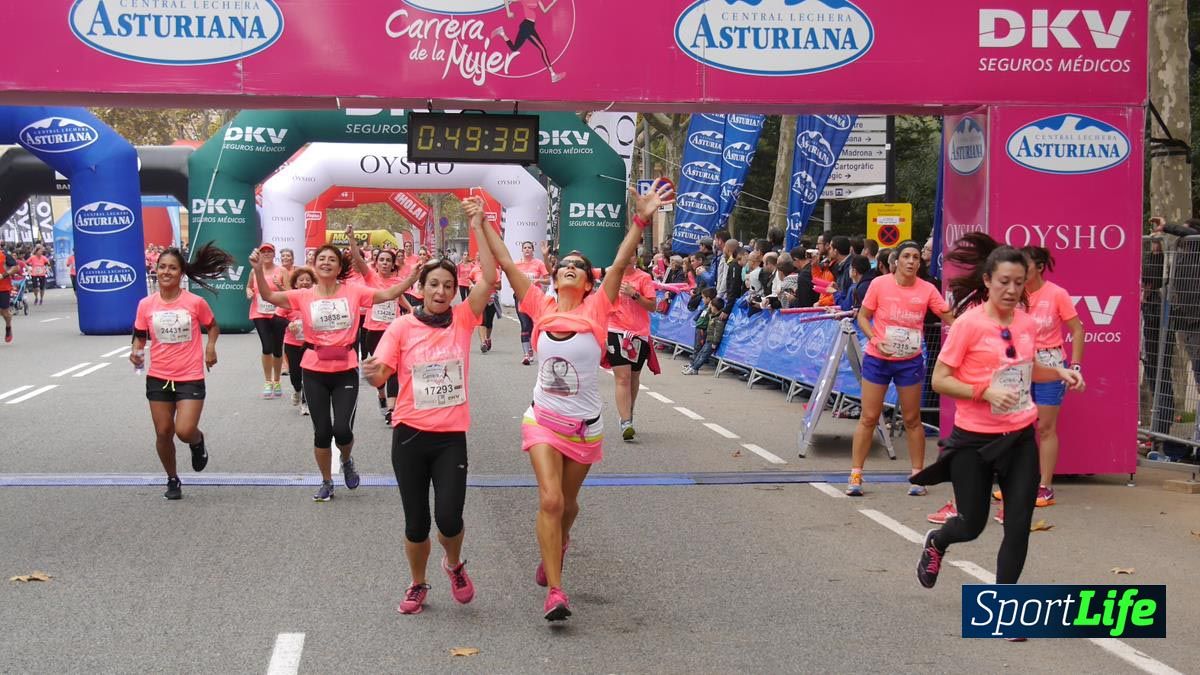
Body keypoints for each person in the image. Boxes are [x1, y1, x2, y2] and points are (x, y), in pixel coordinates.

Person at [486, 178, 673, 622]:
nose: (570, 267)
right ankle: (556, 590)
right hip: (543, 421)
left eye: (579, 266)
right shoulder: (538, 305)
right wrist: (484, 222)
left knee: (568, 507)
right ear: (554, 277)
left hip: (585, 426)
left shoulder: (597, 308)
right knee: (550, 501)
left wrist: (642, 219)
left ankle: (559, 541)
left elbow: (622, 261)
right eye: (564, 265)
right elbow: (508, 262)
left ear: (589, 282)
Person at [912, 233, 1084, 598]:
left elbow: (1026, 367)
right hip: (974, 440)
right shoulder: (968, 325)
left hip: (1020, 437)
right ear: (988, 280)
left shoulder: (1025, 324)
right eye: (1004, 282)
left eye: (1018, 283)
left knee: (1019, 524)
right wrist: (983, 391)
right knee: (971, 525)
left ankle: (1006, 607)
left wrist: (1059, 372)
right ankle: (938, 542)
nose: (1011, 289)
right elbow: (941, 380)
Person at [363, 196, 496, 616]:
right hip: (409, 436)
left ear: (455, 291)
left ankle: (454, 564)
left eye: (448, 285)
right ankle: (418, 583)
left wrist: (478, 225)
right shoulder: (402, 326)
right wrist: (374, 373)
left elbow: (490, 279)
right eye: (433, 284)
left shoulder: (462, 319)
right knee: (416, 523)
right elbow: (383, 370)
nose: (441, 291)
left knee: (450, 519)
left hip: (450, 438)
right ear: (420, 288)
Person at [249, 242, 421, 502]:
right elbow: (270, 297)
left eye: (332, 259)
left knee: (342, 430)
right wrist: (259, 271)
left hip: (345, 368)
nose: (326, 263)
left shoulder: (353, 292)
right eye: (322, 259)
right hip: (313, 368)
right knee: (321, 431)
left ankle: (347, 459)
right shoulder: (303, 294)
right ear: (314, 265)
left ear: (340, 267)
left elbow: (387, 295)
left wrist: (411, 278)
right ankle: (327, 481)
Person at [848, 241, 954, 497]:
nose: (911, 261)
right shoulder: (879, 284)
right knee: (869, 417)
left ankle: (917, 476)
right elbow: (863, 316)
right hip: (878, 358)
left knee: (911, 419)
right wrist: (875, 339)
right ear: (896, 261)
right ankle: (855, 475)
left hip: (909, 361)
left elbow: (951, 318)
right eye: (906, 256)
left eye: (916, 257)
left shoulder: (927, 289)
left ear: (920, 262)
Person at [130, 243, 233, 500]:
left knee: (184, 431)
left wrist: (210, 347)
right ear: (155, 270)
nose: (166, 272)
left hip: (189, 375)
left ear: (181, 273)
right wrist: (136, 352)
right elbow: (140, 336)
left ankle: (197, 442)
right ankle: (172, 478)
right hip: (159, 376)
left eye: (173, 268)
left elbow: (213, 326)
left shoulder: (195, 302)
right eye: (162, 267)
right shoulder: (146, 304)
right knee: (163, 432)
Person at [994, 246, 1083, 511]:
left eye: (1026, 265)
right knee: (1013, 427)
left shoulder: (1057, 294)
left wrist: (1075, 365)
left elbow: (1077, 330)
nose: (1020, 271)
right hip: (1018, 365)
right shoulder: (1014, 295)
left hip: (1050, 364)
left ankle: (1044, 486)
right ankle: (1014, 483)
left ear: (1040, 267)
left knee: (1045, 427)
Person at [349, 238, 413, 424]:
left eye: (388, 261)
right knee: (381, 369)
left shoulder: (398, 280)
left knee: (393, 368)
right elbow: (359, 260)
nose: (385, 263)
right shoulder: (371, 278)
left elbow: (398, 297)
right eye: (382, 260)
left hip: (393, 330)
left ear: (393, 264)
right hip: (372, 329)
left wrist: (409, 309)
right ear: (376, 263)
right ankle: (382, 395)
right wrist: (352, 240)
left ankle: (392, 409)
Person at [605, 247, 658, 441]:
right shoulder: (612, 276)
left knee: (634, 377)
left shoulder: (644, 278)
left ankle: (629, 410)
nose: (628, 258)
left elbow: (653, 306)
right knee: (623, 377)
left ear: (636, 258)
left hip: (639, 333)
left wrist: (634, 294)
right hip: (615, 330)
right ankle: (625, 421)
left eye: (631, 254)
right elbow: (601, 302)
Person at [246, 242, 288, 399]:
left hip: (278, 312)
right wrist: (249, 292)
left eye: (269, 251)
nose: (266, 254)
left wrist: (280, 287)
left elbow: (290, 292)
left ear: (273, 253)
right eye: (263, 251)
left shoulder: (282, 271)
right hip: (259, 312)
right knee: (267, 346)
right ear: (260, 254)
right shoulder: (254, 271)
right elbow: (248, 287)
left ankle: (277, 380)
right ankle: (267, 381)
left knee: (277, 349)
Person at [283, 267, 316, 416]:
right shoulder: (289, 298)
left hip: (311, 343)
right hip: (292, 342)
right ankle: (297, 390)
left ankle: (306, 402)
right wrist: (288, 324)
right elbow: (277, 317)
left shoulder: (317, 299)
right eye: (301, 280)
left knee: (308, 374)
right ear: (295, 284)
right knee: (295, 375)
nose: (304, 282)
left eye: (308, 280)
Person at [515, 242, 551, 365]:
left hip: (535, 299)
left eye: (529, 247)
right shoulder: (517, 265)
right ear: (522, 250)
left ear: (533, 250)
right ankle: (526, 354)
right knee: (525, 325)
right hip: (521, 298)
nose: (527, 250)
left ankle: (532, 348)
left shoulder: (539, 264)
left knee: (534, 325)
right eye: (525, 248)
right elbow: (512, 281)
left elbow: (548, 280)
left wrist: (538, 280)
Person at [681, 297, 726, 375]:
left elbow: (718, 332)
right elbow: (707, 311)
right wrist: (709, 306)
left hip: (712, 341)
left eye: (711, 306)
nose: (710, 307)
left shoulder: (718, 319)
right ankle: (693, 366)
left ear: (715, 307)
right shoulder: (712, 315)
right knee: (700, 353)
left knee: (703, 356)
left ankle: (695, 369)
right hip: (708, 339)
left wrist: (715, 343)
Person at [0, 246, 18, 343]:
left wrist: (3, 275)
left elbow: (16, 267)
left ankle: (8, 327)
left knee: (4, 312)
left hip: (3, 288)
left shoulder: (5, 256)